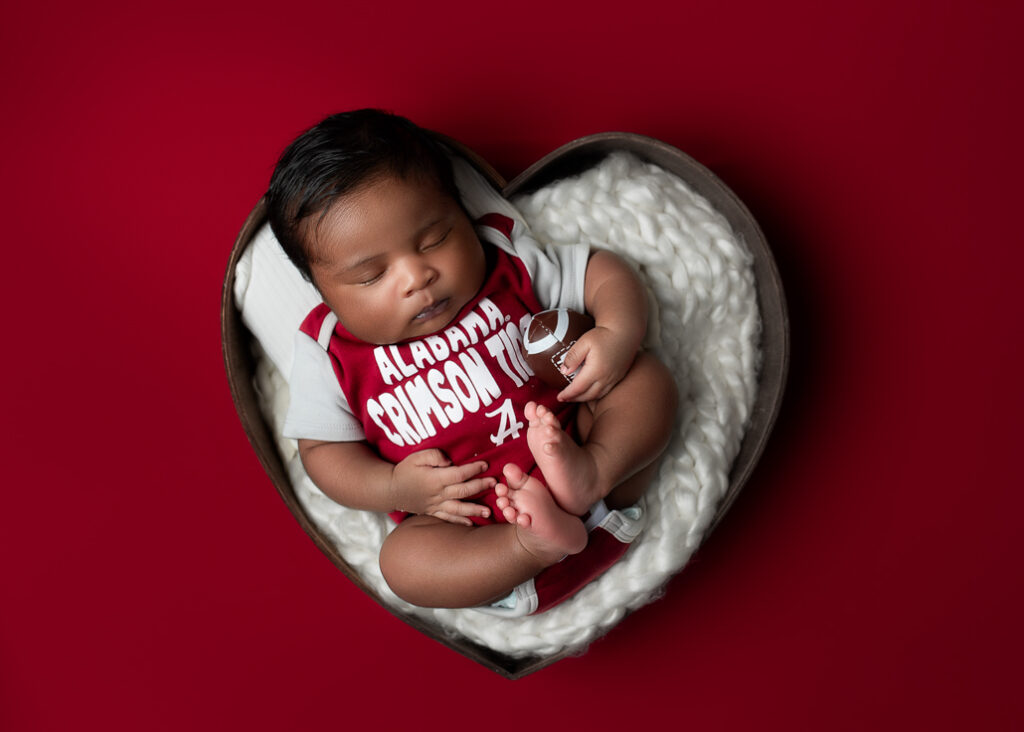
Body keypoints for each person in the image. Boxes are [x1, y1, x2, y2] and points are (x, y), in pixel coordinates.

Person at [267, 109, 677, 609]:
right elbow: (322, 454)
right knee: (403, 563)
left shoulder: (505, 263)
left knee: (645, 378)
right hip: (471, 529)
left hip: (587, 456)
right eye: (372, 276)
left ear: (462, 213)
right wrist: (395, 487)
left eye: (435, 240)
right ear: (323, 292)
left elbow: (601, 271)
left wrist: (616, 332)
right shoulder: (328, 350)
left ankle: (594, 470)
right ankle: (531, 544)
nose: (417, 277)